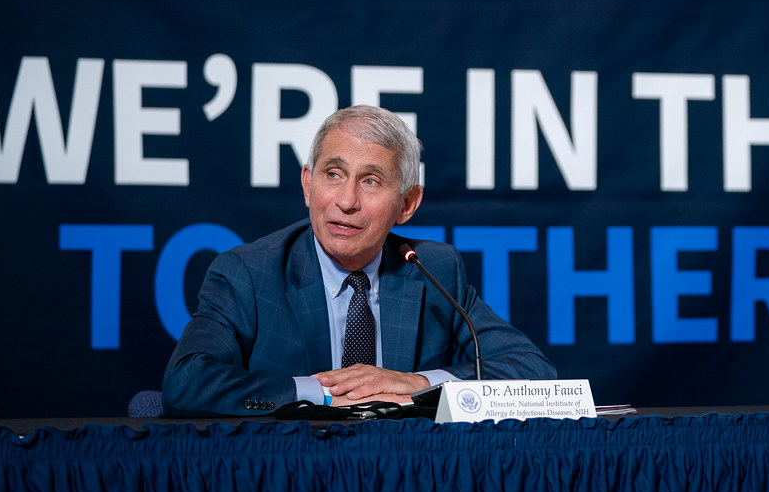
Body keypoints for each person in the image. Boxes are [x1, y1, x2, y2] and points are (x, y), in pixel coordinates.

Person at [162, 105, 555, 416]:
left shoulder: (432, 268)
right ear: (307, 184)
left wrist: (418, 383)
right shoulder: (249, 274)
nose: (346, 201)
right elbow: (187, 383)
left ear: (407, 204)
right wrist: (323, 392)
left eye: (370, 181)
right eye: (333, 174)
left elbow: (531, 373)